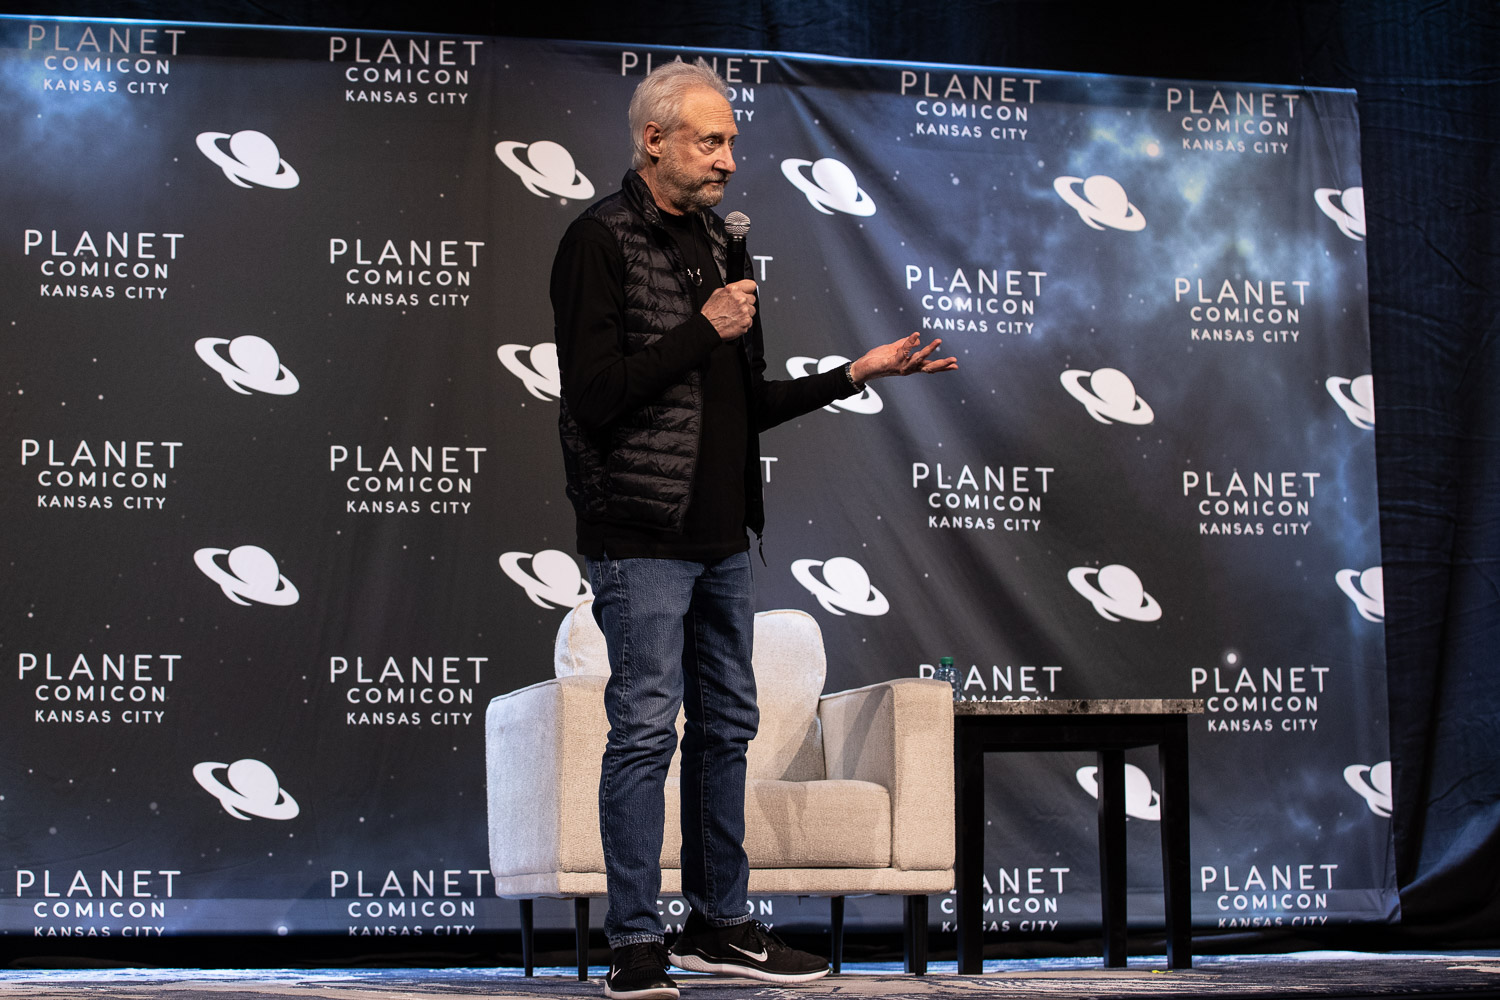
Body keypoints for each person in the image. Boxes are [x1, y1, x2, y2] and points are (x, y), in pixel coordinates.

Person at [551, 59, 956, 1000]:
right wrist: (702, 327)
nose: (731, 158)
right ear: (653, 140)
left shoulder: (723, 248)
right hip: (640, 534)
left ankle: (721, 925)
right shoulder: (596, 242)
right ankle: (634, 945)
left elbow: (742, 407)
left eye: (732, 140)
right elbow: (596, 397)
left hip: (724, 537)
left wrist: (854, 374)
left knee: (726, 727)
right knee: (646, 730)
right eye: (711, 140)